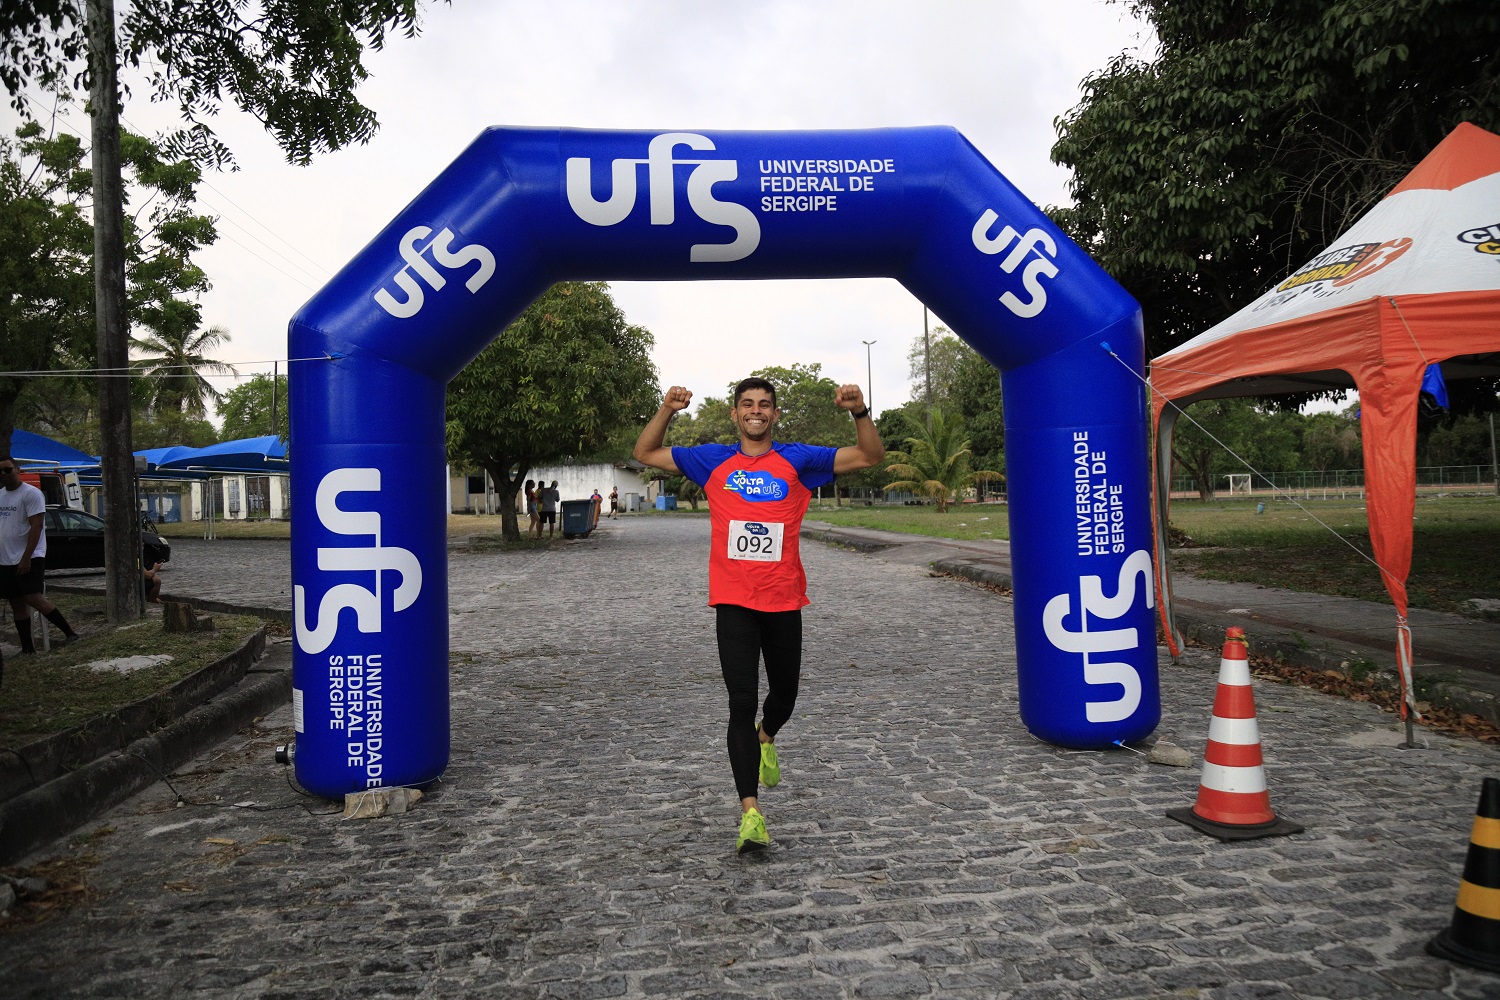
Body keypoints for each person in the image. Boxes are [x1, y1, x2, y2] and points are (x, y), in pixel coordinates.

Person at [633, 376, 883, 853]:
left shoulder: (798, 460)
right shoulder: (711, 459)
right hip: (733, 600)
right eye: (747, 404)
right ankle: (751, 813)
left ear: (774, 414)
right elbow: (645, 453)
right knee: (740, 702)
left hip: (784, 599)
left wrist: (859, 412)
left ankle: (766, 738)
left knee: (784, 697)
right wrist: (667, 409)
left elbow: (869, 456)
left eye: (764, 405)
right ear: (735, 414)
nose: (756, 411)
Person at [0, 457, 80, 653]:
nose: (4, 475)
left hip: (29, 555)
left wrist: (27, 557)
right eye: (0, 472)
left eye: (7, 470)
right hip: (6, 557)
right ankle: (28, 648)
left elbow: (36, 526)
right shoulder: (0, 495)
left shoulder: (31, 494)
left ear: (17, 469)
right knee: (16, 601)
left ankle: (70, 633)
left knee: (33, 597)